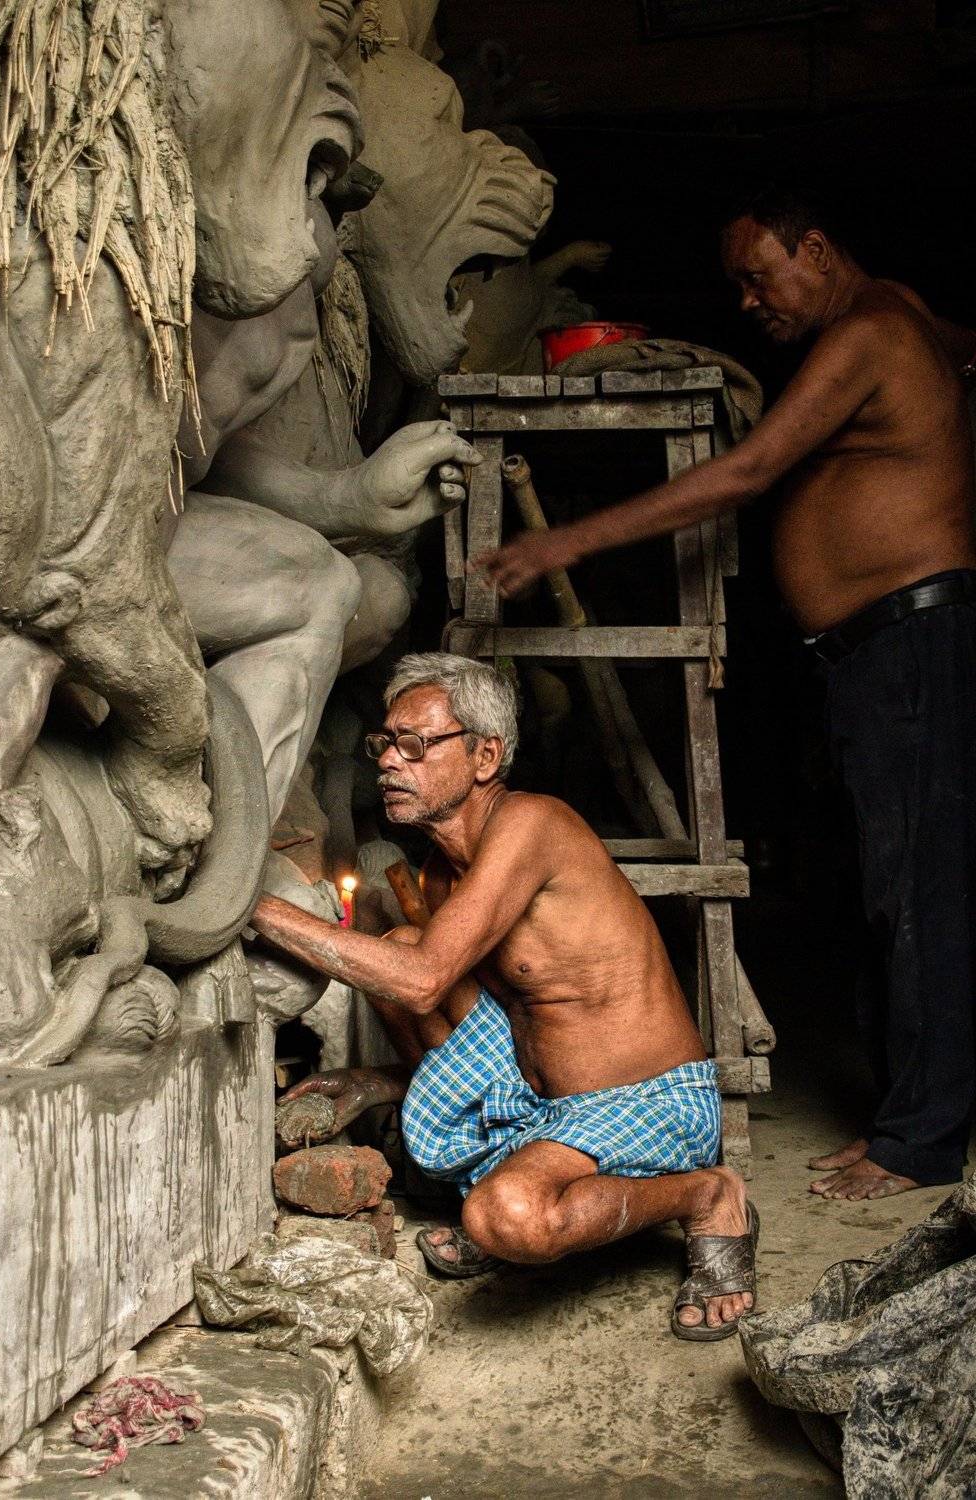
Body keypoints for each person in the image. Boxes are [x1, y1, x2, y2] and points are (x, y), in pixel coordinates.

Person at [475, 185, 976, 1202]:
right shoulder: (908, 317)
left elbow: (747, 471)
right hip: (883, 647)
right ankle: (903, 1118)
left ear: (816, 248)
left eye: (758, 277)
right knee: (890, 888)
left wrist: (565, 541)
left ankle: (918, 1144)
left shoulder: (869, 331)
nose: (748, 302)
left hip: (913, 638)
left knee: (920, 894)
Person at [252, 652, 758, 1342]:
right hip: (540, 1105)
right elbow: (471, 1008)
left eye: (415, 745)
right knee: (400, 942)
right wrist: (378, 1082)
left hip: (647, 1102)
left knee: (508, 1217)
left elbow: (423, 979)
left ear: (485, 756)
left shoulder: (532, 823)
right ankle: (516, 1166)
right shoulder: (439, 875)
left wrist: (253, 905)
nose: (389, 762)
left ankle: (708, 1192)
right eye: (384, 743)